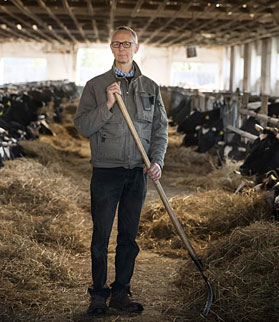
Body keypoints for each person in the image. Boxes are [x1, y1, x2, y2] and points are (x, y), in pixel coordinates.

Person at [74, 26, 168, 315]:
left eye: (127, 44)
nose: (122, 49)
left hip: (136, 173)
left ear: (136, 48)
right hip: (106, 172)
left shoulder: (150, 87)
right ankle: (99, 295)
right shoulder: (96, 85)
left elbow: (160, 129)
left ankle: (121, 293)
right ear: (111, 49)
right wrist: (108, 104)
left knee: (129, 237)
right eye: (116, 44)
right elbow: (82, 127)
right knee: (101, 235)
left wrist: (157, 161)